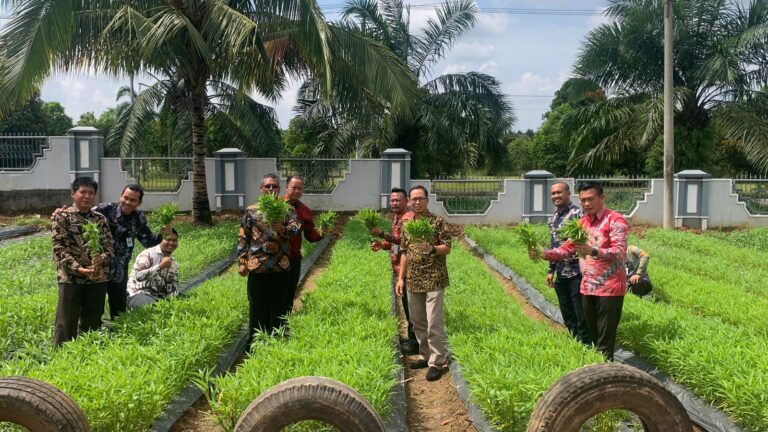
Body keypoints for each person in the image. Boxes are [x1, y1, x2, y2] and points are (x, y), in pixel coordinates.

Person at [531, 181, 628, 361]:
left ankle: (603, 380)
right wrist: (544, 254)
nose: (586, 204)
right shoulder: (582, 223)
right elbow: (567, 248)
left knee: (604, 343)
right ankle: (593, 375)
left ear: (602, 198)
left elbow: (620, 252)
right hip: (587, 287)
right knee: (591, 339)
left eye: (590, 199)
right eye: (583, 200)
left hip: (610, 288)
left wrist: (593, 251)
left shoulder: (615, 220)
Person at [54, 184, 162, 319]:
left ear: (139, 203)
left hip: (119, 270)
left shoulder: (138, 218)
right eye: (126, 198)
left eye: (133, 200)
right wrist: (63, 211)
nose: (128, 202)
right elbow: (81, 214)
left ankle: (117, 334)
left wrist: (164, 233)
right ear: (120, 196)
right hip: (97, 268)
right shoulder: (104, 209)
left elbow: (149, 242)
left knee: (118, 309)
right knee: (92, 308)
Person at [396, 185, 452, 381]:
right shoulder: (407, 224)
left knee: (434, 322)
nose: (417, 201)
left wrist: (432, 249)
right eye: (414, 199)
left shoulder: (438, 222)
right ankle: (426, 355)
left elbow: (447, 247)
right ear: (409, 202)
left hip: (435, 278)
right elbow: (404, 252)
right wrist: (401, 278)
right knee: (418, 321)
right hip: (413, 279)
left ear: (427, 200)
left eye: (421, 198)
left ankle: (437, 362)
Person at [52, 177, 115, 346]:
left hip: (97, 277)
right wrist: (78, 268)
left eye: (91, 193)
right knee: (66, 322)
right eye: (83, 192)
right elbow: (59, 248)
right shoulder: (62, 217)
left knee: (93, 319)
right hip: (71, 278)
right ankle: (62, 358)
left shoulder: (100, 219)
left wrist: (100, 258)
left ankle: (88, 354)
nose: (87, 196)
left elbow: (109, 247)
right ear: (73, 194)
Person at [238, 173, 301, 343]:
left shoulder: (287, 210)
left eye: (274, 186)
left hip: (281, 267)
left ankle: (277, 343)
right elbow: (244, 236)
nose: (271, 189)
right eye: (268, 186)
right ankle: (256, 344)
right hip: (257, 266)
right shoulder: (251, 210)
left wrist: (282, 229)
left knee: (279, 307)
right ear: (261, 189)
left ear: (279, 189)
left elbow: (295, 229)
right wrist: (242, 262)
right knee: (257, 307)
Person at [370, 187, 419, 355]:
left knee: (411, 307)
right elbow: (395, 244)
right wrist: (382, 244)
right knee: (406, 305)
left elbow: (402, 241)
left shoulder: (408, 218)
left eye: (398, 200)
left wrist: (382, 234)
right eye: (392, 200)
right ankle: (410, 337)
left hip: (408, 270)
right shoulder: (397, 217)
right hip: (399, 267)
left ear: (406, 201)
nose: (394, 203)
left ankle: (415, 342)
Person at [546, 182, 591, 345]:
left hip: (577, 273)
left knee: (581, 315)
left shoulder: (578, 214)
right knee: (567, 313)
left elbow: (584, 241)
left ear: (568, 193)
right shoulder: (554, 218)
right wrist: (551, 270)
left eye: (559, 193)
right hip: (561, 272)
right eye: (553, 193)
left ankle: (586, 345)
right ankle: (575, 343)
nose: (556, 196)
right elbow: (554, 245)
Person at [284, 176, 324, 307]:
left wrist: (322, 233)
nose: (297, 191)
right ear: (286, 188)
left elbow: (310, 236)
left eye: (300, 188)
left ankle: (284, 322)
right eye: (293, 187)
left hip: (293, 257)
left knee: (289, 292)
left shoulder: (305, 211)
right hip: (273, 257)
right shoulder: (275, 205)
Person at [126, 229, 181, 308]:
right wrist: (160, 266)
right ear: (161, 240)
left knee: (186, 300)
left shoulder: (174, 263)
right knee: (150, 306)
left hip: (158, 297)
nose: (171, 243)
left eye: (174, 240)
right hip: (138, 294)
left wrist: (173, 300)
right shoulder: (147, 254)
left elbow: (171, 287)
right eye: (168, 239)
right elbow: (138, 276)